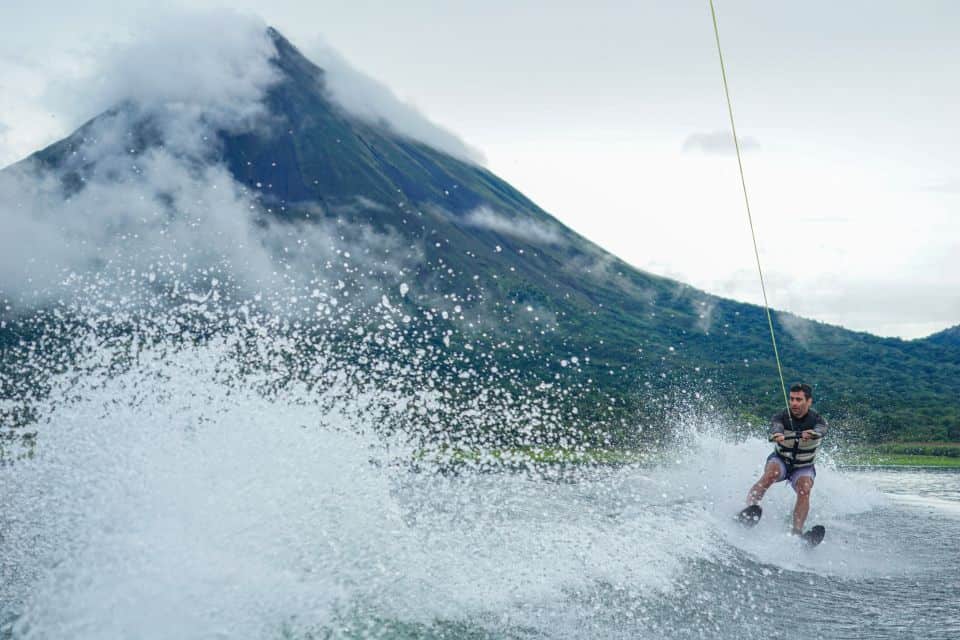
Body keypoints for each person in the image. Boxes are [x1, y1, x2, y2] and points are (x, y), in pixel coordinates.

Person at [744, 382, 828, 535]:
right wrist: (777, 434)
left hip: (803, 467)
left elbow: (821, 430)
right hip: (781, 460)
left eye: (799, 399)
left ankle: (797, 532)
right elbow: (776, 426)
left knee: (805, 489)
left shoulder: (818, 420)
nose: (794, 403)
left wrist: (813, 434)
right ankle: (749, 509)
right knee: (772, 474)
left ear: (809, 401)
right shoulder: (781, 416)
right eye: (792, 399)